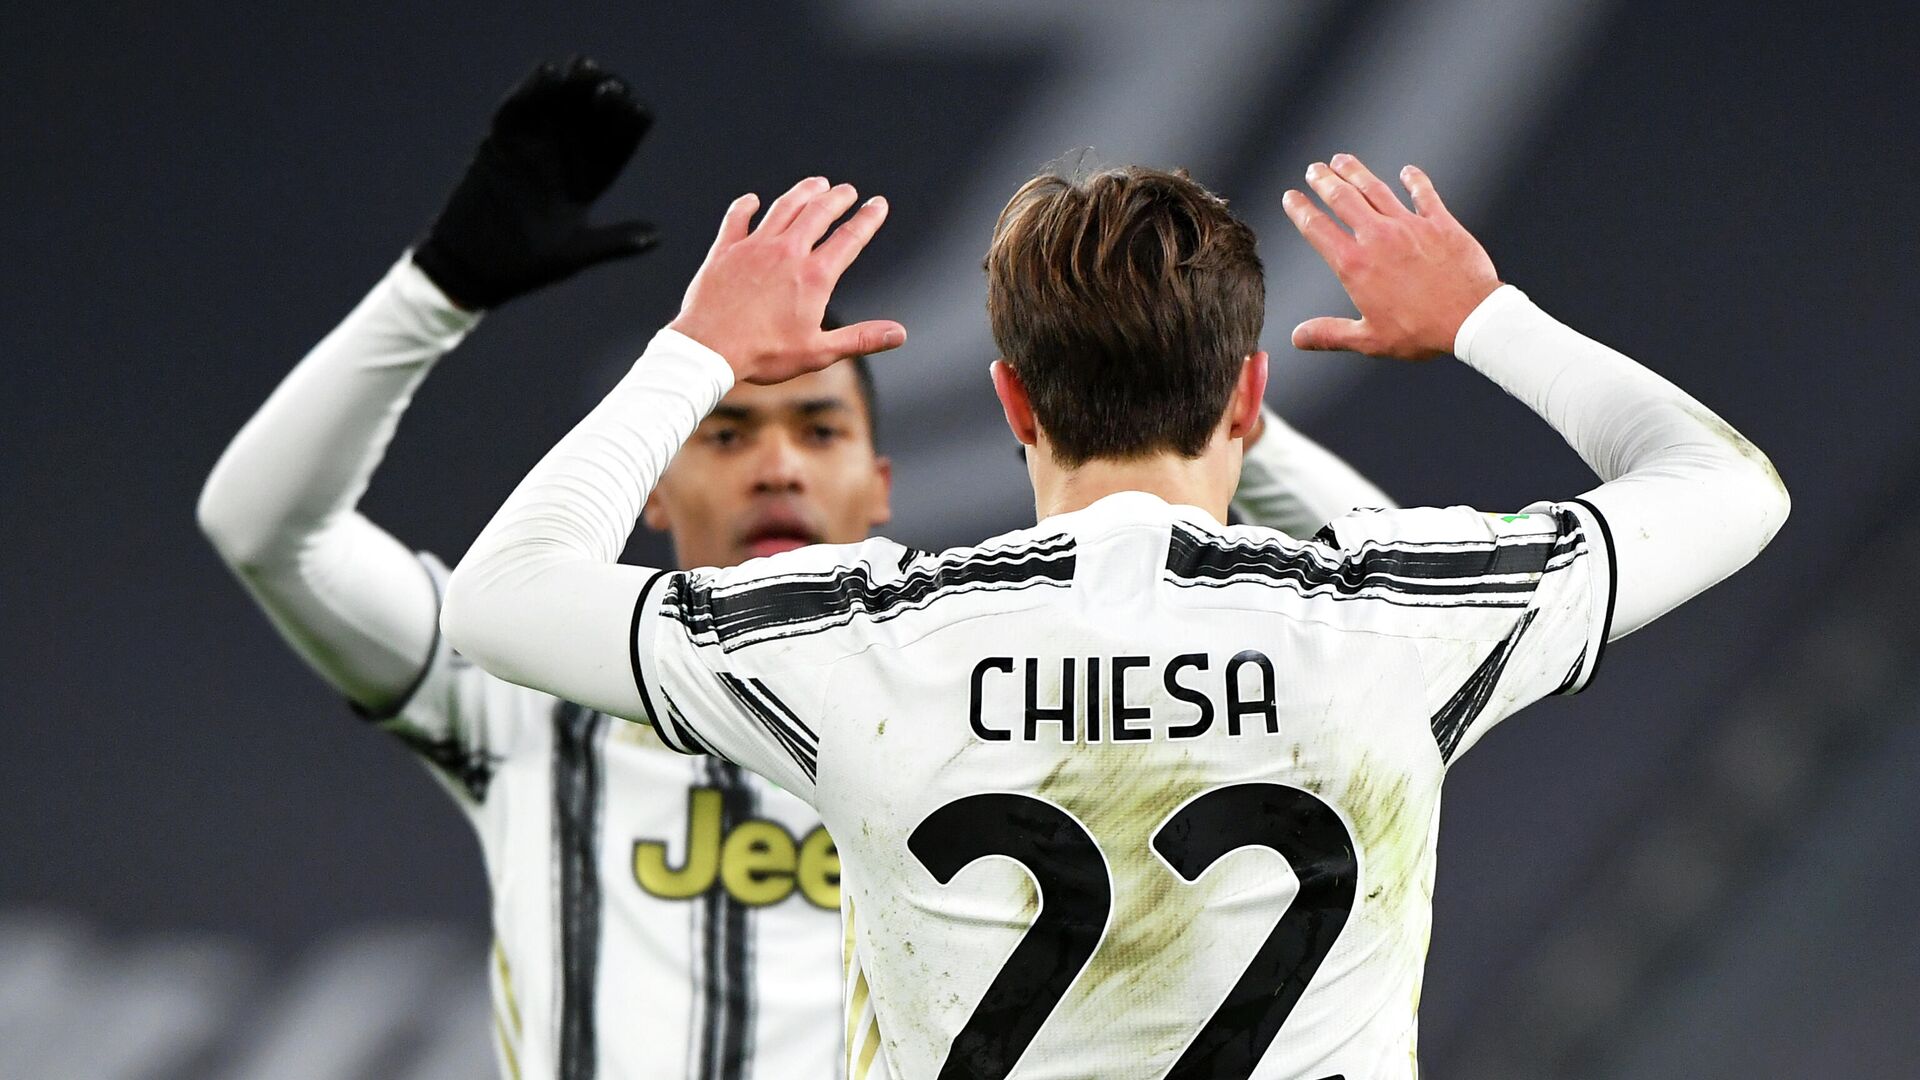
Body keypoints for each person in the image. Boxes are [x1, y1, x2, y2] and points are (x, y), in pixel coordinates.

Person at [438, 158, 1787, 1078]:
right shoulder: (1389, 610)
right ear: (1248, 391)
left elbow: (502, 596)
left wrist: (701, 352)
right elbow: (1726, 486)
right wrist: (1488, 317)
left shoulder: (867, 636)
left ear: (1011, 401)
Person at [196, 59, 1390, 1080]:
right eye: (727, 431)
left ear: (882, 486)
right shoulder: (525, 700)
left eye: (818, 432)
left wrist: (1155, 373)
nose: (774, 465)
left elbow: (1382, 652)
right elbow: (265, 529)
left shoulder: (958, 677)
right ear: (650, 479)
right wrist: (434, 294)